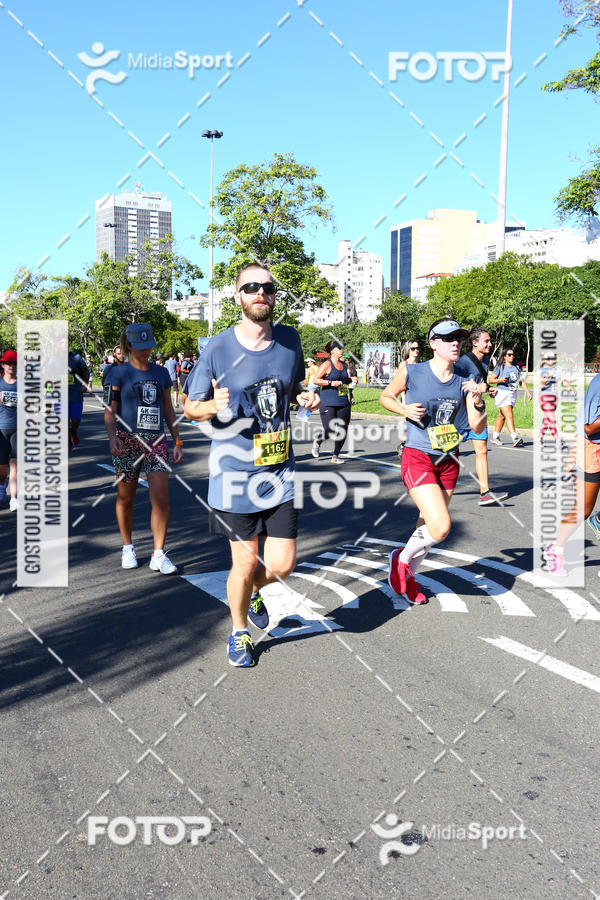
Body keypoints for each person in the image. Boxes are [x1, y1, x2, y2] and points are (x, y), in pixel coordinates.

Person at [184, 263, 320, 668]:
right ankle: (239, 631)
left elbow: (291, 387)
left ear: (274, 295)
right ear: (238, 296)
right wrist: (212, 406)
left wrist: (303, 399)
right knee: (243, 562)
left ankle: (251, 590)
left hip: (279, 470)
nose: (260, 292)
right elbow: (190, 407)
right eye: (251, 287)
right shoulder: (218, 348)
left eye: (267, 287)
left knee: (282, 564)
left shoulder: (291, 341)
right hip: (234, 475)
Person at [380, 317, 485, 604]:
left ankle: (408, 577)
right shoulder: (413, 371)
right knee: (440, 527)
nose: (455, 343)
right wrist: (403, 410)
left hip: (449, 459)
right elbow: (386, 396)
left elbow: (477, 426)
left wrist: (477, 401)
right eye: (448, 338)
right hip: (418, 456)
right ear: (433, 343)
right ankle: (399, 559)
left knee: (425, 526)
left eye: (458, 338)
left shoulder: (464, 381)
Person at [104, 323, 183, 573]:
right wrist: (112, 437)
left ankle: (158, 554)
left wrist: (177, 439)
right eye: (140, 347)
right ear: (128, 346)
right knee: (126, 498)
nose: (146, 351)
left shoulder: (161, 373)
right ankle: (128, 547)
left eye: (149, 346)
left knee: (161, 498)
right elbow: (110, 410)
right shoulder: (116, 374)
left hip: (156, 442)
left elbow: (168, 410)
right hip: (126, 441)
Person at [546, 371, 600, 576]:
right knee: (583, 510)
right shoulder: (598, 384)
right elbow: (588, 427)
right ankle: (555, 550)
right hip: (593, 450)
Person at [454, 327, 508, 506]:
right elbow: (455, 386)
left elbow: (479, 383)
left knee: (482, 451)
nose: (490, 344)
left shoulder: (485, 361)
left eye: (490, 341)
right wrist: (477, 388)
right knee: (449, 453)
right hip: (460, 415)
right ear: (474, 342)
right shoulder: (463, 362)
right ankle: (434, 485)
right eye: (486, 341)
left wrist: (487, 389)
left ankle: (485, 493)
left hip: (478, 411)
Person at [311, 340, 356, 464]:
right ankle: (318, 442)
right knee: (329, 429)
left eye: (342, 348)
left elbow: (344, 381)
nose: (342, 350)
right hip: (328, 401)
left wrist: (351, 379)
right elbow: (316, 380)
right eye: (340, 348)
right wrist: (330, 383)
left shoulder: (344, 365)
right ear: (333, 351)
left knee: (342, 429)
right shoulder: (327, 364)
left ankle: (335, 456)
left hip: (343, 401)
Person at [488, 347, 532, 446]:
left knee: (502, 416)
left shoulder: (516, 367)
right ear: (504, 356)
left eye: (513, 354)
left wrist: (528, 392)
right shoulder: (500, 367)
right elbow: (490, 380)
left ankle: (495, 437)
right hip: (502, 393)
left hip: (513, 394)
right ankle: (514, 438)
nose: (512, 356)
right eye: (509, 354)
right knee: (509, 415)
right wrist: (500, 380)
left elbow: (521, 381)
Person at [0, 350, 19, 510]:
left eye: (14, 363)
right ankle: (1, 487)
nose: (11, 366)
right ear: (3, 364)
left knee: (14, 464)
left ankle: (13, 498)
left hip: (18, 429)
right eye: (8, 363)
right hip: (1, 428)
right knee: (2, 466)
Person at [396, 339, 421, 455]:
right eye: (413, 348)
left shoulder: (420, 364)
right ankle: (402, 445)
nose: (416, 351)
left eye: (417, 348)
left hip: (418, 397)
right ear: (408, 350)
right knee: (409, 424)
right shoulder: (403, 364)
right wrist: (404, 403)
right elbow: (401, 386)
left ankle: (415, 448)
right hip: (407, 397)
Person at [68, 350, 90, 452]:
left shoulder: (76, 357)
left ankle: (73, 431)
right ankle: (68, 442)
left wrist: (85, 384)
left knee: (75, 421)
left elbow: (86, 371)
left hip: (75, 394)